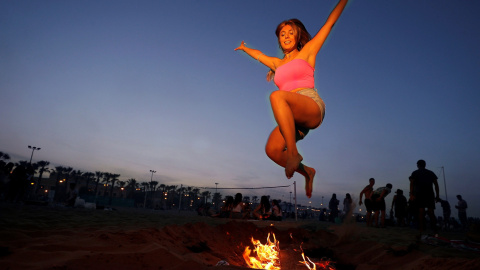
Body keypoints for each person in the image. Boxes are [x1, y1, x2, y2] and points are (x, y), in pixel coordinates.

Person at [235, 0, 348, 198]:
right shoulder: (277, 64)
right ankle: (307, 172)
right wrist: (245, 49)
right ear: (279, 40)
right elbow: (259, 55)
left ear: (297, 36)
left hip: (310, 105)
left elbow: (329, 23)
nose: (286, 36)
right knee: (273, 150)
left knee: (276, 96)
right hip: (292, 117)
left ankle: (293, 153)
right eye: (282, 34)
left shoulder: (308, 52)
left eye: (290, 32)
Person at [409, 159, 440, 235]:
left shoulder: (415, 173)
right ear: (425, 165)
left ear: (418, 165)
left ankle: (422, 229)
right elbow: (436, 184)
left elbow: (411, 184)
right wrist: (437, 195)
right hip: (429, 194)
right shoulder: (430, 173)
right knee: (431, 212)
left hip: (419, 194)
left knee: (421, 211)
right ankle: (434, 229)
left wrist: (411, 194)